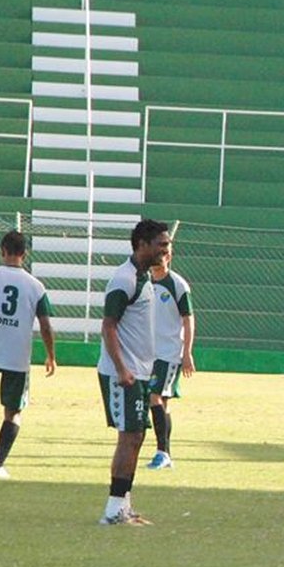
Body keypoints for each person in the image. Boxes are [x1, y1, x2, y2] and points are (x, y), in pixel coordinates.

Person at [0, 231, 56, 478]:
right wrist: (50, 355)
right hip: (18, 355)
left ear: (2, 251)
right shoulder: (36, 286)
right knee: (13, 412)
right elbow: (46, 325)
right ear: (24, 255)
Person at [98, 219, 171, 525]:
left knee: (136, 437)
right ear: (142, 244)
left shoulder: (145, 278)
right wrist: (122, 369)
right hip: (123, 373)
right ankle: (113, 510)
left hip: (138, 372)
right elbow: (108, 327)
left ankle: (123, 504)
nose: (166, 250)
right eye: (161, 244)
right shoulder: (124, 279)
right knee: (130, 437)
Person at [145, 244, 196, 470]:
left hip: (168, 353)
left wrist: (187, 352)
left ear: (169, 256)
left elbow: (188, 318)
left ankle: (162, 452)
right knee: (161, 403)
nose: (158, 260)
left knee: (154, 397)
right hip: (147, 352)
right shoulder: (144, 283)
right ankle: (164, 453)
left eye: (162, 255)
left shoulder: (177, 285)